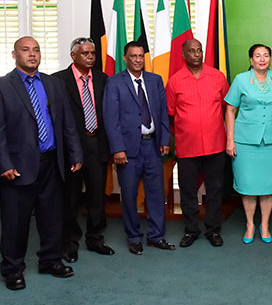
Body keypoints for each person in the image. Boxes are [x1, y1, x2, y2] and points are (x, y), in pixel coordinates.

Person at [0, 36, 83, 291]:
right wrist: (4, 164)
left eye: (36, 50)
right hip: (17, 166)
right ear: (14, 55)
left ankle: (50, 261)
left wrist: (75, 154)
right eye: (25, 50)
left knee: (52, 217)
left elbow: (66, 123)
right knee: (15, 222)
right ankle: (12, 269)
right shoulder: (1, 86)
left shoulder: (53, 84)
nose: (32, 54)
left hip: (51, 162)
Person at [103, 41, 174, 255]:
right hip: (128, 150)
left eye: (140, 56)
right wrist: (117, 149)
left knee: (155, 194)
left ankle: (156, 236)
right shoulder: (114, 83)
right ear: (125, 59)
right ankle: (134, 237)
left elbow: (162, 113)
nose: (137, 59)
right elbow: (110, 118)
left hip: (152, 145)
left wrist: (164, 141)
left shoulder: (155, 80)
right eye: (133, 56)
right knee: (130, 195)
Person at [53, 37, 114, 262]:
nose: (90, 57)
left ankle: (96, 238)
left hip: (96, 144)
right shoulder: (58, 80)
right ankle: (70, 242)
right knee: (71, 197)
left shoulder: (103, 79)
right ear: (73, 56)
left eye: (92, 54)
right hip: (72, 148)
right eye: (85, 53)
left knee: (97, 196)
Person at [166, 38, 229, 247]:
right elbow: (170, 114)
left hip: (215, 145)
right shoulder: (175, 81)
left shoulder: (217, 77)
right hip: (187, 147)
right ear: (183, 55)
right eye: (191, 51)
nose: (196, 54)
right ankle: (191, 230)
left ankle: (213, 230)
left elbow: (227, 108)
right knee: (188, 192)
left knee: (214, 190)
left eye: (199, 50)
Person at [225, 44, 272, 244]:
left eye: (266, 55)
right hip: (245, 142)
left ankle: (265, 224)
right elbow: (230, 110)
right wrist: (230, 140)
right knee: (248, 186)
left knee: (269, 186)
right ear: (251, 59)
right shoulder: (241, 79)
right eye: (258, 56)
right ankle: (250, 223)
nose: (262, 59)